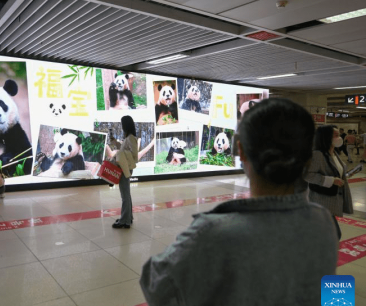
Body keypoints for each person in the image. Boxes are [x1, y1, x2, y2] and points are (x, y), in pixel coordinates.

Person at [139, 98, 338, 306]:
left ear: (240, 151)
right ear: (308, 157)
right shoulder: (323, 221)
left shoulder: (211, 232)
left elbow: (154, 285)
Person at [305, 125, 354, 240]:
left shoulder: (334, 153)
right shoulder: (317, 154)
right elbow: (307, 175)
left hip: (331, 200)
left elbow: (336, 170)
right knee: (334, 235)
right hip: (321, 201)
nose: (340, 138)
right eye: (336, 135)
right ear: (326, 137)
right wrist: (331, 180)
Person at [111, 115, 138, 229]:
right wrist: (116, 143)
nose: (121, 126)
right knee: (126, 194)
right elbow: (124, 149)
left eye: (122, 124)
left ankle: (124, 220)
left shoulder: (131, 138)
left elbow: (134, 155)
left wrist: (121, 154)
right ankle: (128, 218)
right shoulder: (128, 137)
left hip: (125, 168)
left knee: (125, 195)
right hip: (124, 167)